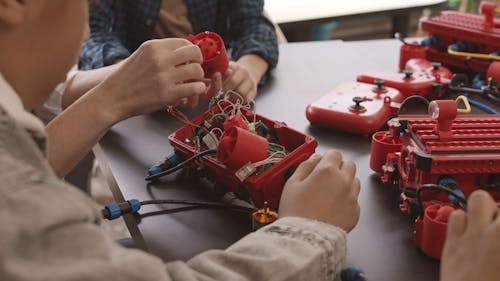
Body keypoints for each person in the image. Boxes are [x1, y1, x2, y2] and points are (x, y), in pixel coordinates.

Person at [0, 1, 361, 280]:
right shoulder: (16, 196)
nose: (82, 28)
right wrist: (308, 232)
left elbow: (256, 27)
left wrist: (119, 91)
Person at [78, 0, 279, 102]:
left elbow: (254, 22)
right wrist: (131, 73)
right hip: (140, 105)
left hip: (214, 95)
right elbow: (92, 33)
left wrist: (249, 71)